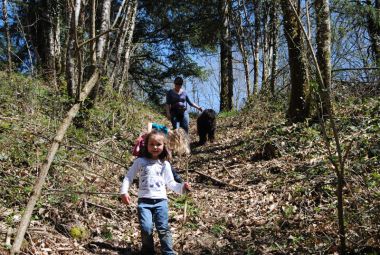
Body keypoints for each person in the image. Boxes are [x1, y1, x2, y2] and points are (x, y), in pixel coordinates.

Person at [121, 130, 191, 255]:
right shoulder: (140, 162)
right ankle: (148, 250)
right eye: (151, 144)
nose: (155, 147)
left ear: (164, 146)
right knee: (146, 228)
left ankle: (168, 252)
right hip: (144, 202)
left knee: (163, 228)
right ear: (146, 145)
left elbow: (171, 183)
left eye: (158, 144)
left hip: (161, 202)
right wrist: (124, 192)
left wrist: (182, 188)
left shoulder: (165, 164)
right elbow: (128, 177)